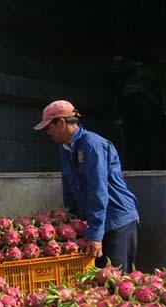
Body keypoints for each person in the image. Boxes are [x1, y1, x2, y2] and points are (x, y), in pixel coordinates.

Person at [34, 100, 140, 272]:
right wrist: (71, 223)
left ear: (61, 122)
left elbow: (98, 189)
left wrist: (96, 233)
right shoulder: (65, 149)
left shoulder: (92, 145)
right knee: (95, 282)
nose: (48, 132)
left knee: (115, 279)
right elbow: (69, 189)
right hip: (97, 223)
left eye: (49, 127)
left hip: (117, 221)